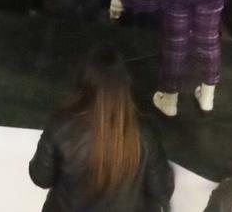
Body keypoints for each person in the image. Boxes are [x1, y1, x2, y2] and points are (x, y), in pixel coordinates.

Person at [28, 45, 174, 212]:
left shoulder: (60, 125)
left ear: (83, 83)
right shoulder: (144, 132)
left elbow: (40, 178)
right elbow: (162, 190)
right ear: (125, 86)